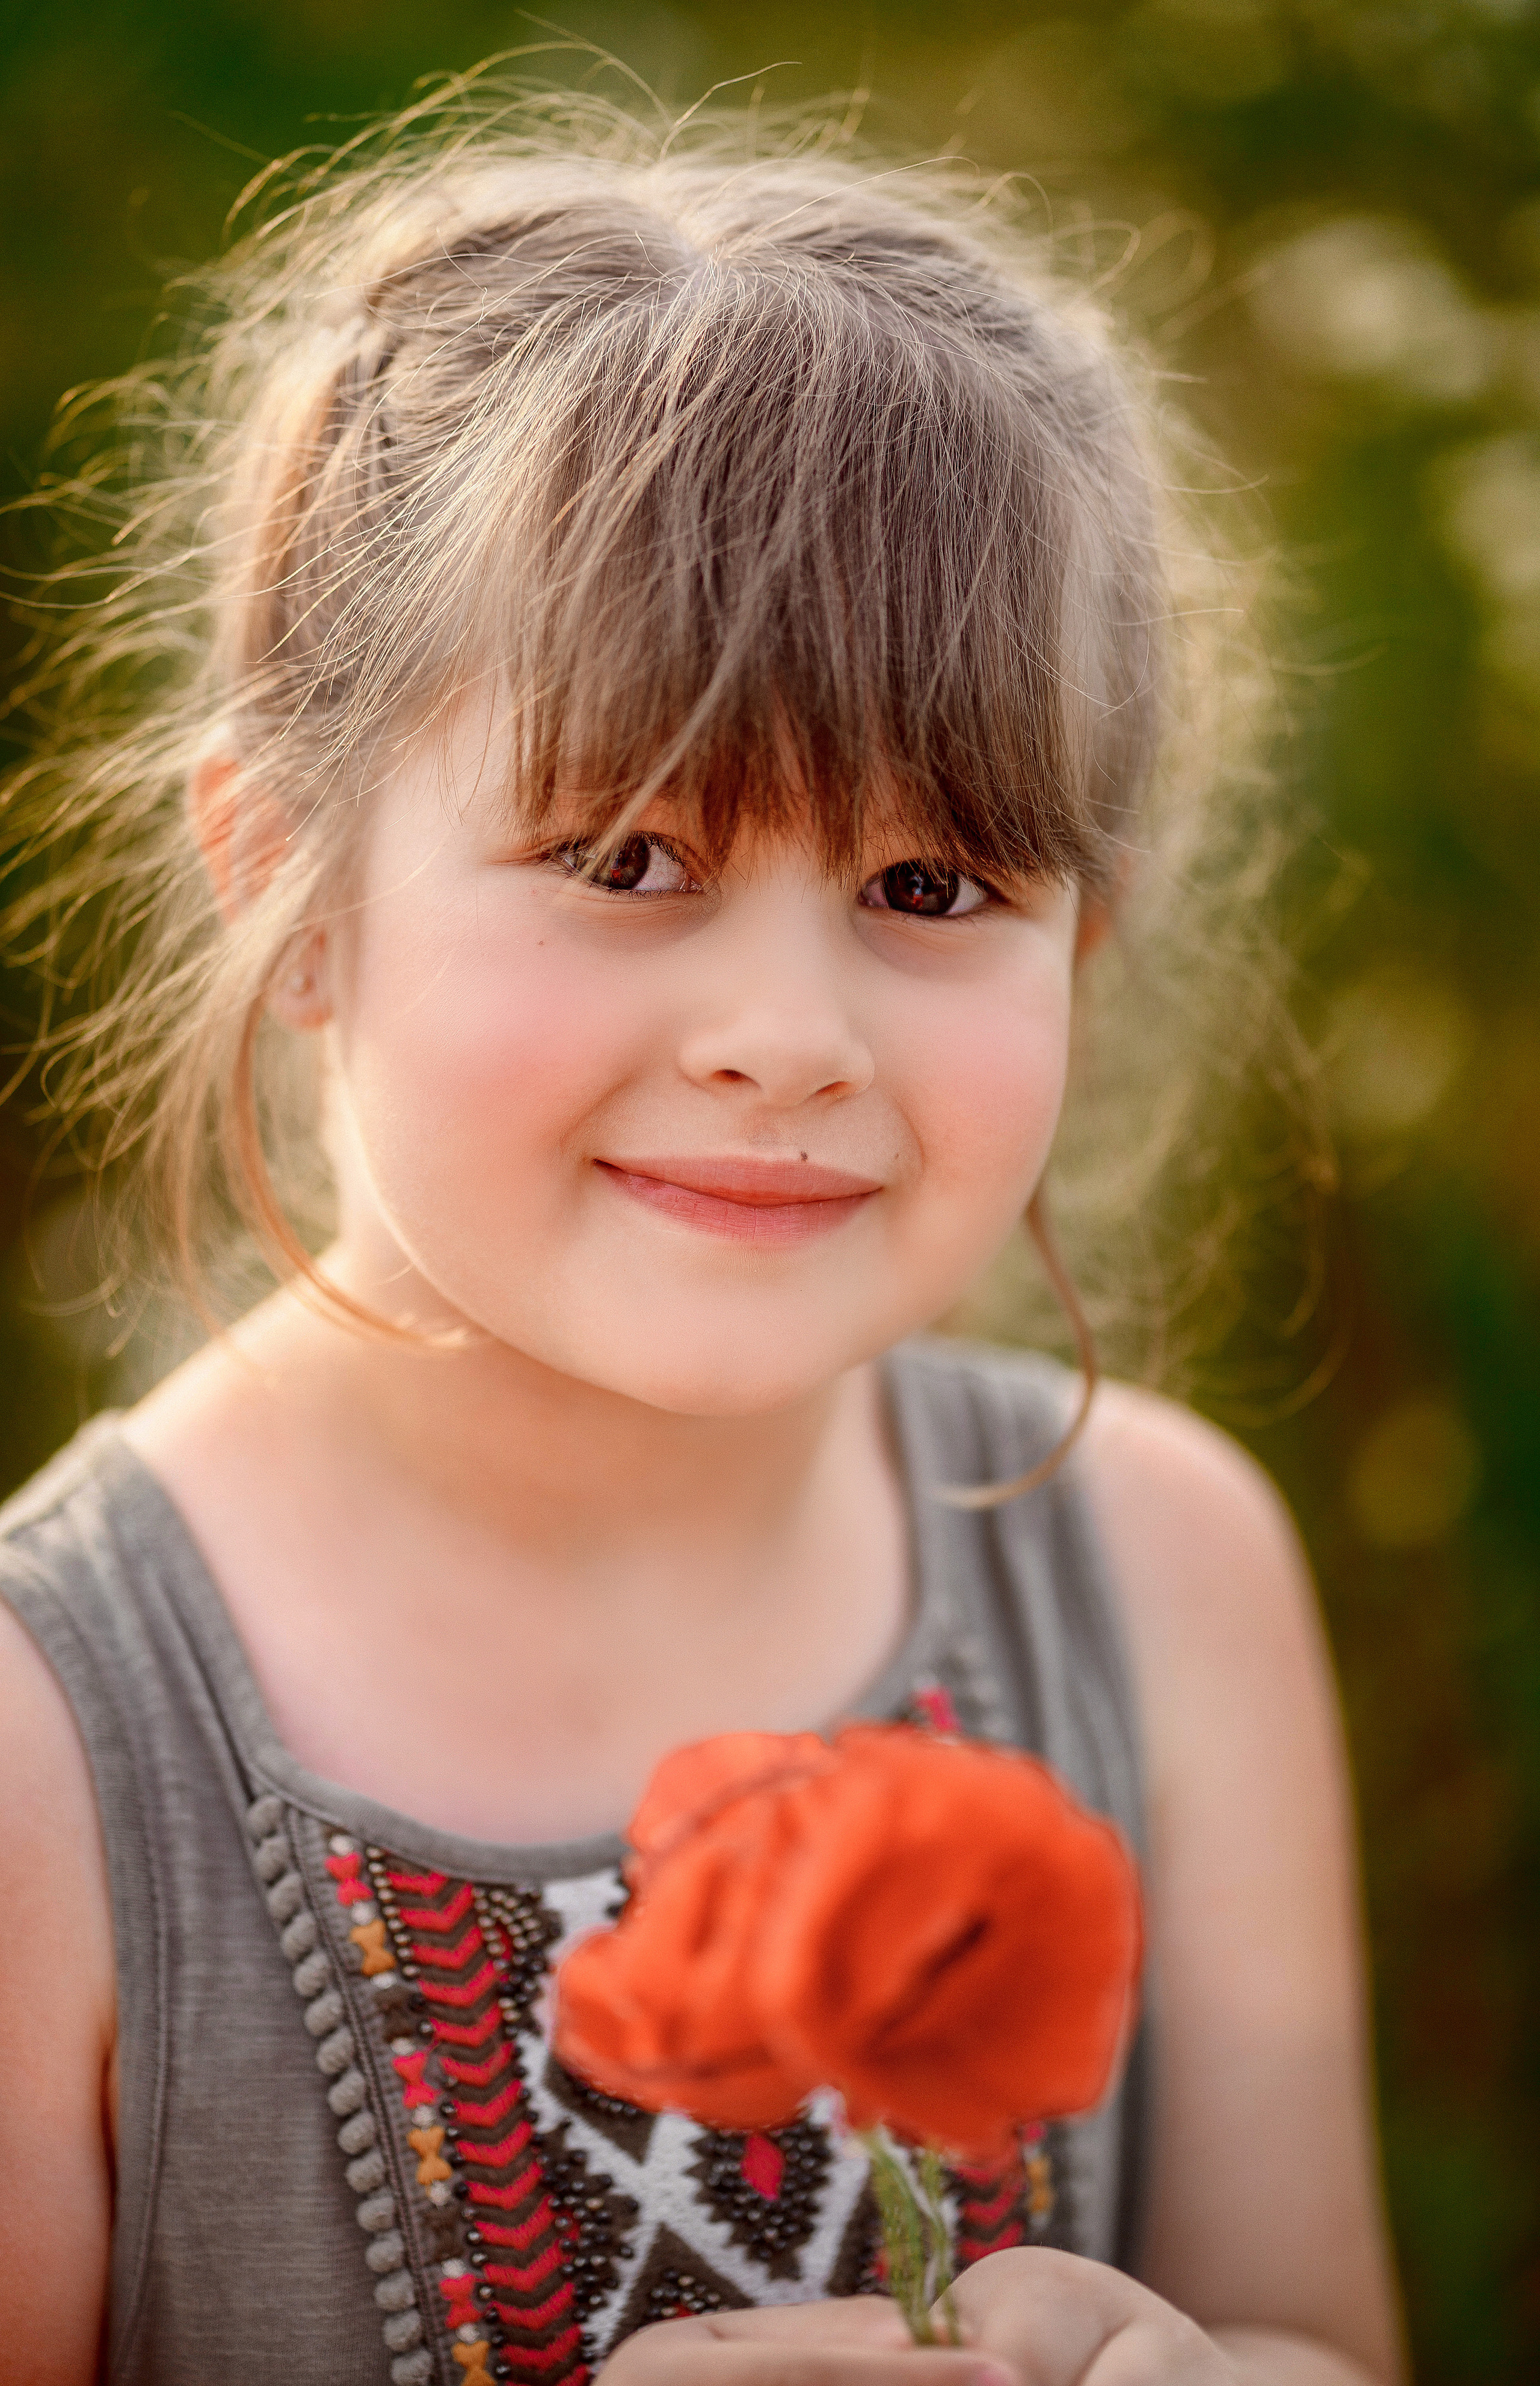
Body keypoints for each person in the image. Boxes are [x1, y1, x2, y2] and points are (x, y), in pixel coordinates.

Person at [0, 84, 1402, 2386]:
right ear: (290, 881)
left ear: (1088, 939)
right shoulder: (52, 1760)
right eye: (630, 857)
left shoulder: (1162, 1581)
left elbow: (1330, 2332)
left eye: (930, 890)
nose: (785, 1035)